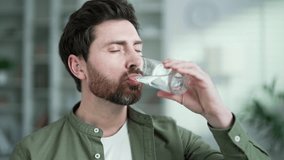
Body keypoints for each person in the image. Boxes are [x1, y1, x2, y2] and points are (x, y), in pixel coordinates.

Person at [11, 0, 270, 159]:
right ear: (78, 67)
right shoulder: (34, 152)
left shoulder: (176, 140)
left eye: (138, 48)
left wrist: (219, 116)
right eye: (116, 49)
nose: (135, 60)